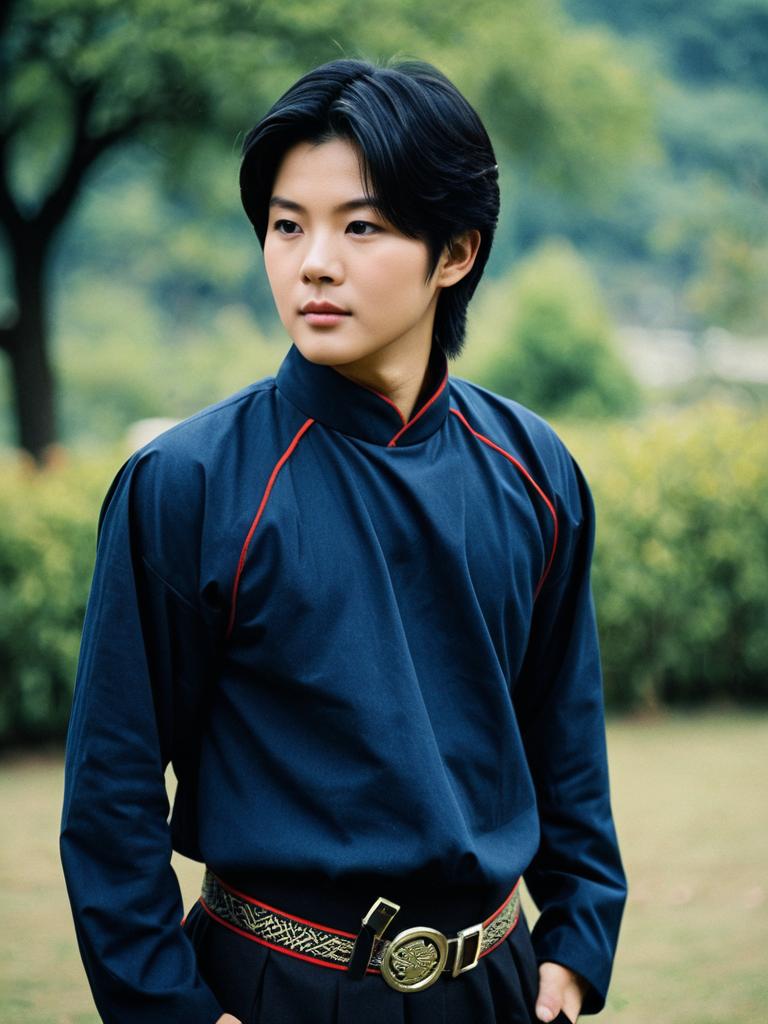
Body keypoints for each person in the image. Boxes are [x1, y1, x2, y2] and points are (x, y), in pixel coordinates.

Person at [60, 58, 626, 1024]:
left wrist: (576, 943)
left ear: (455, 252)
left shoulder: (535, 470)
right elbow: (110, 794)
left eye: (360, 226)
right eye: (288, 225)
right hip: (275, 984)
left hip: (500, 982)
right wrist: (172, 1011)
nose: (313, 262)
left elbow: (562, 730)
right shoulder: (189, 485)